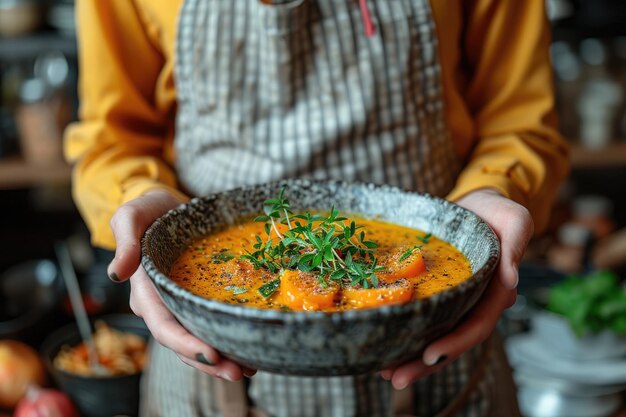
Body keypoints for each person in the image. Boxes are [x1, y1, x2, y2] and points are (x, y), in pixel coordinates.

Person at [65, 0, 569, 416]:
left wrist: (490, 196)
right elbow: (113, 140)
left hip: (438, 337)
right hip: (208, 353)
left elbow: (521, 122)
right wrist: (146, 214)